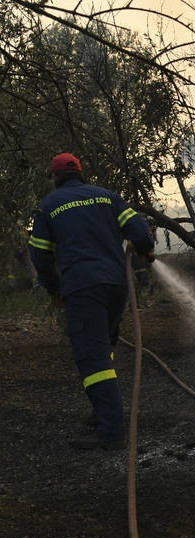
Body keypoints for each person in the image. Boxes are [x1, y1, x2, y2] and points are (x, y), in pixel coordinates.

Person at [28, 153, 155, 450]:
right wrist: (147, 250)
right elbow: (139, 231)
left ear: (55, 177)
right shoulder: (107, 197)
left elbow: (40, 255)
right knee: (102, 349)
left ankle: (111, 431)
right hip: (115, 286)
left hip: (83, 289)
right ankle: (102, 412)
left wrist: (53, 288)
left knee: (92, 357)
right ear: (80, 173)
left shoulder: (48, 207)